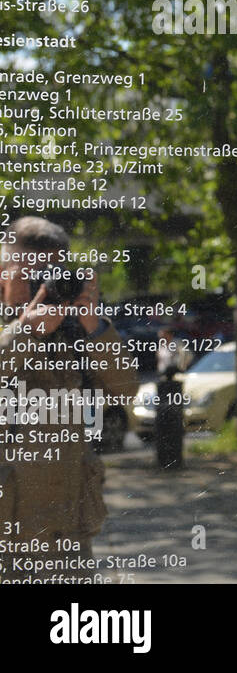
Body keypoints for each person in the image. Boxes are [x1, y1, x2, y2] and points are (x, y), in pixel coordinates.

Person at [0, 217, 138, 582]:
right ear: (3, 273)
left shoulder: (77, 331)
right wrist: (24, 330)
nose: (39, 286)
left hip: (68, 538)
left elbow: (126, 389)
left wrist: (94, 326)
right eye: (29, 276)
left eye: (49, 276)